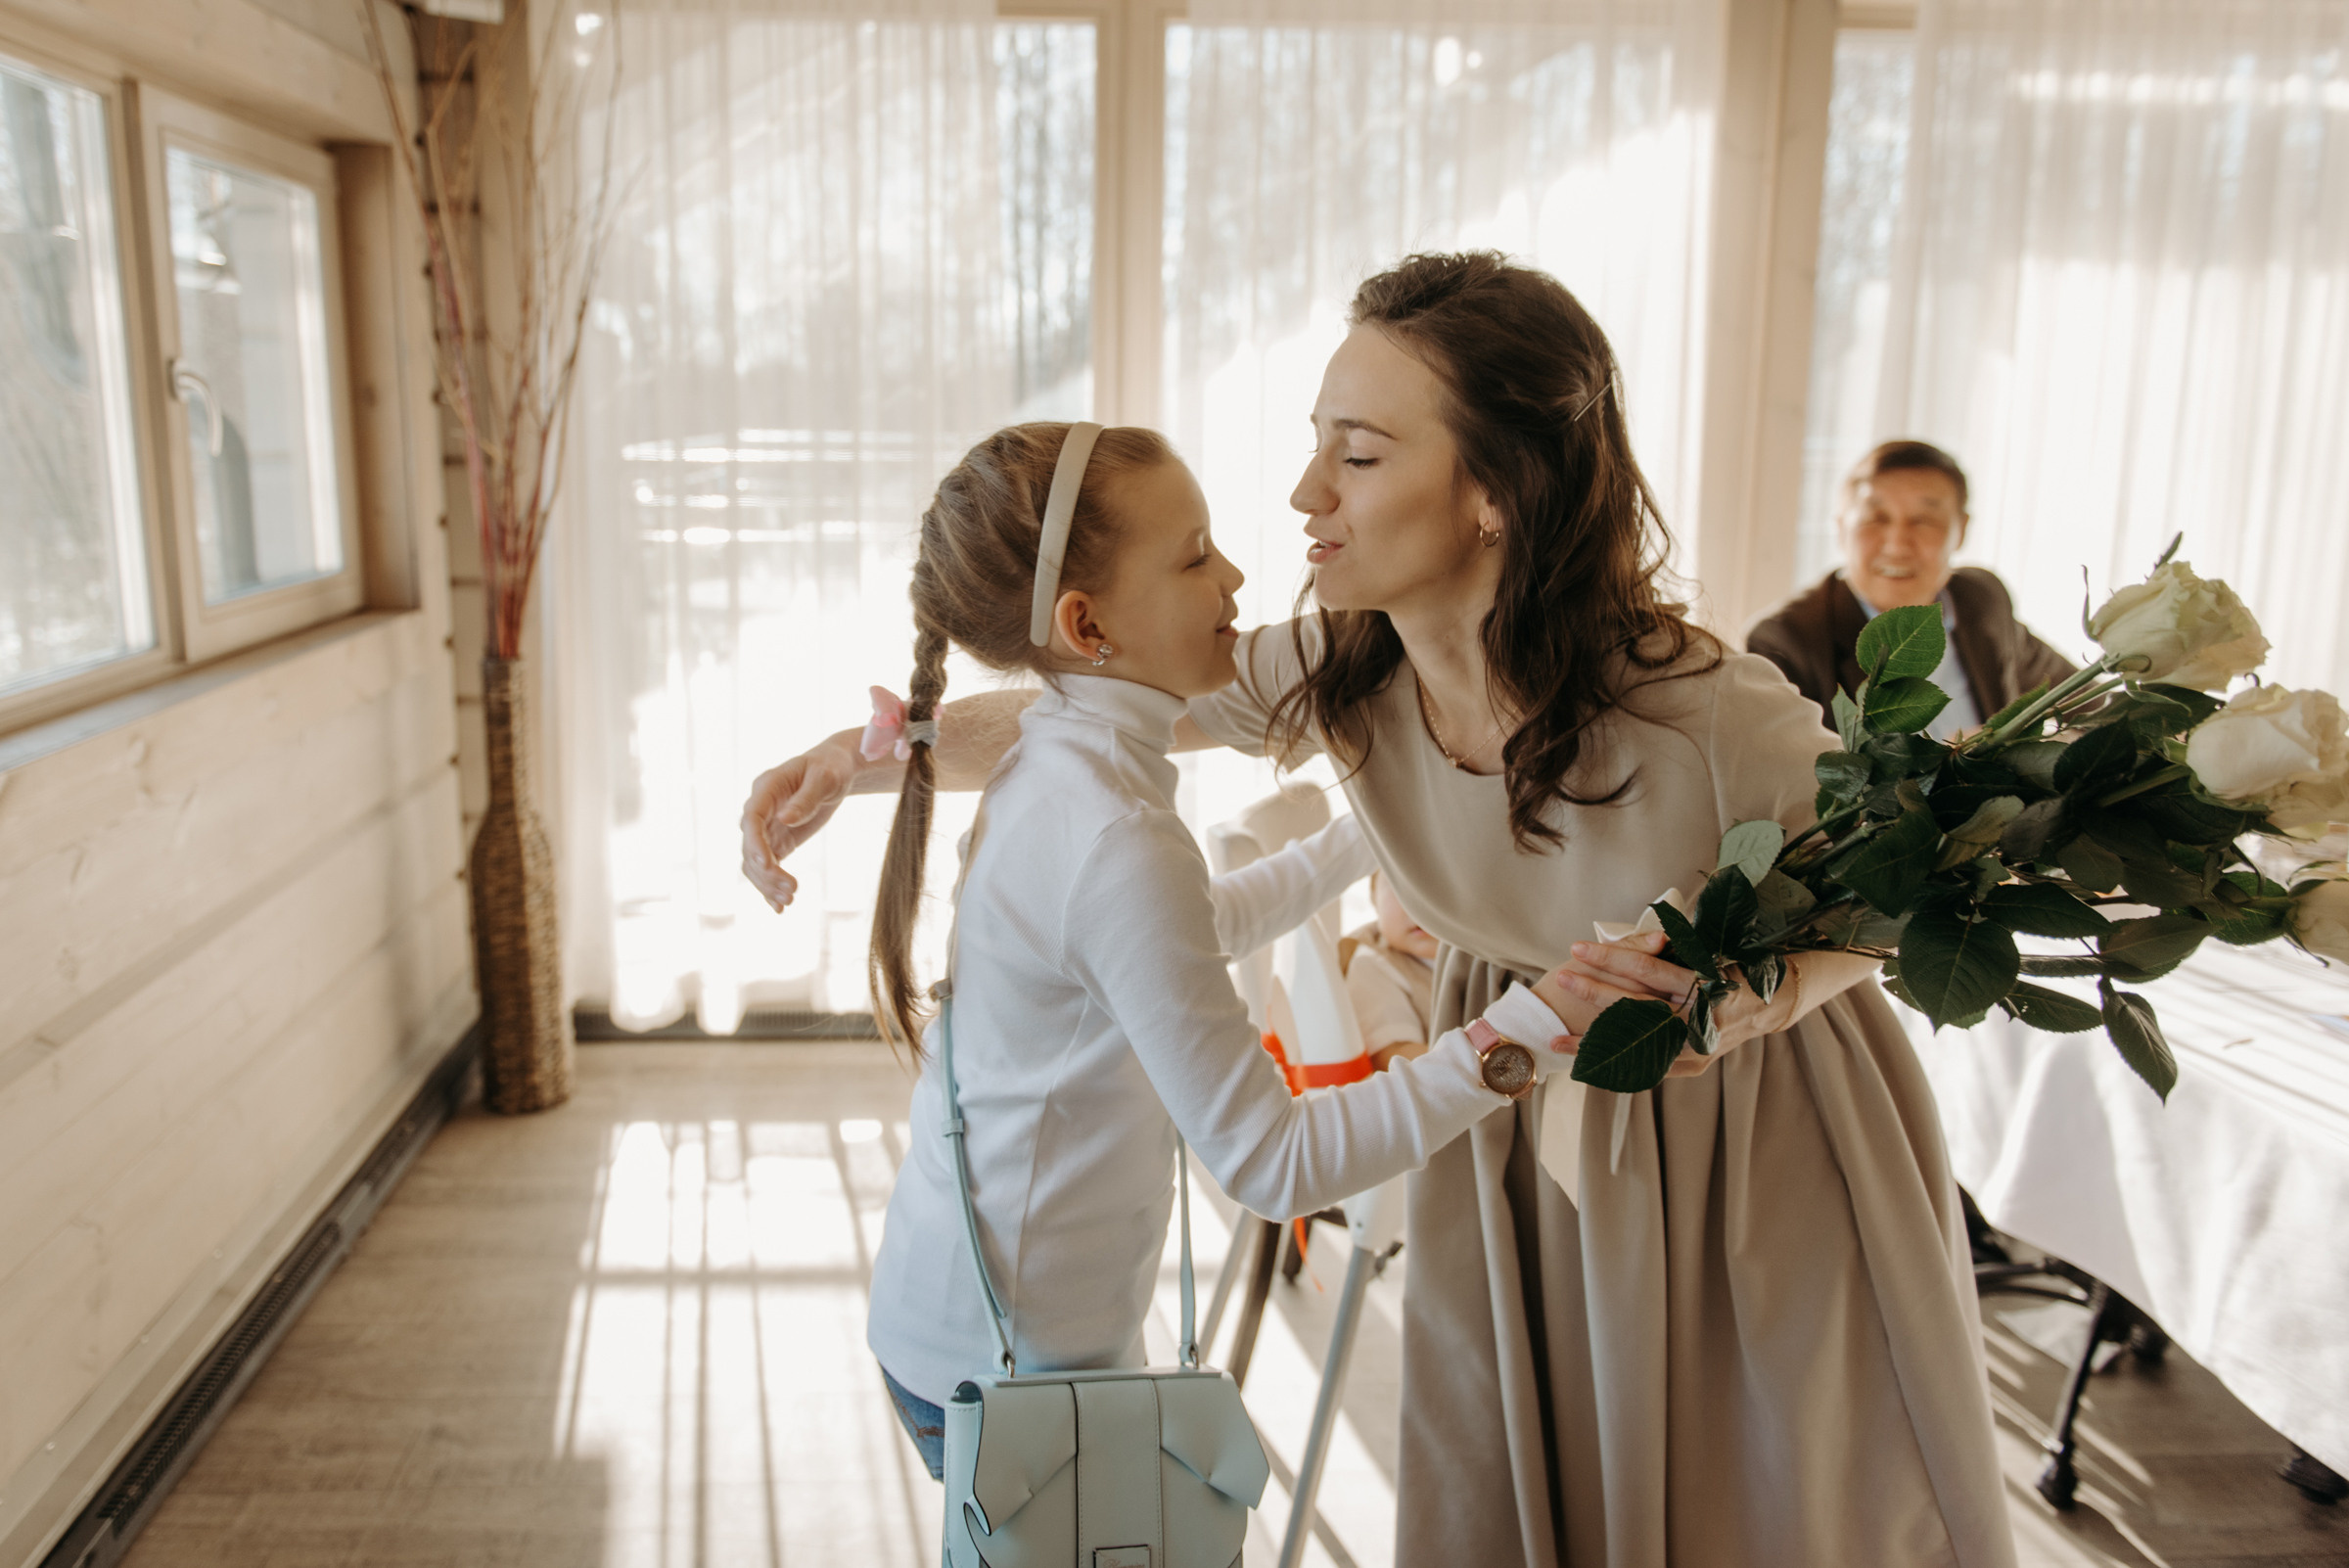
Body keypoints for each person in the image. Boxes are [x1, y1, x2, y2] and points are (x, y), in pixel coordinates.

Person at [746, 255, 2015, 1566]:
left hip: (1744, 1152)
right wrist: (870, 753)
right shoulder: (1348, 668)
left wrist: (1753, 996)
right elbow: (1087, 695)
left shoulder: (1702, 704)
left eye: (1354, 456)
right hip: (1505, 1123)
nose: (1302, 496)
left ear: (1493, 495)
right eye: (1316, 447)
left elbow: (1908, 884)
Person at [854, 419, 1593, 1482]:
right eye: (1195, 555)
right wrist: (1523, 1031)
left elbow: (1167, 950)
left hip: (964, 1320)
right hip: (1010, 1366)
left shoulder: (1057, 760)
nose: (1237, 575)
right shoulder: (1113, 833)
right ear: (1085, 621)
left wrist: (1376, 829)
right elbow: (1274, 1162)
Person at [1748, 439, 2074, 736]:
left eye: (1924, 521)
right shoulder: (1785, 641)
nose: (1897, 544)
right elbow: (1793, 786)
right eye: (1876, 518)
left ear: (1960, 530)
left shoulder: (1980, 598)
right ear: (1841, 529)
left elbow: (2084, 698)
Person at [1344, 870, 1439, 1069]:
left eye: (1437, 885)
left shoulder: (1489, 951)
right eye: (1399, 886)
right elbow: (1394, 1054)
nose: (1418, 902)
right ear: (1374, 901)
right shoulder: (1372, 964)